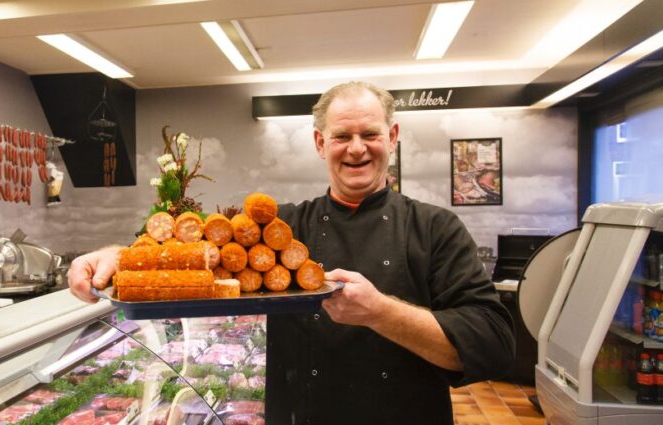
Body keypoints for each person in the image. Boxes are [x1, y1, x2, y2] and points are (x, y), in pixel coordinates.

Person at [68, 81, 515, 424]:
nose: (356, 148)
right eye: (342, 136)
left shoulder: (436, 228)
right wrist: (116, 254)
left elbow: (493, 343)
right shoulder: (277, 231)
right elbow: (185, 242)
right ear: (320, 143)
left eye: (370, 134)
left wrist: (380, 312)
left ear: (392, 136)